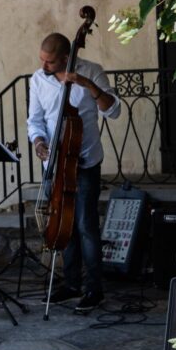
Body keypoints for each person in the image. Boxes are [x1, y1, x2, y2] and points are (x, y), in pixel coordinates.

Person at [26, 32, 120, 313]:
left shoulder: (92, 71)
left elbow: (113, 111)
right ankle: (71, 284)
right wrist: (39, 142)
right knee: (64, 224)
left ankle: (94, 289)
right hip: (55, 162)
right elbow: (35, 120)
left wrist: (86, 84)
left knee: (85, 225)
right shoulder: (38, 79)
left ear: (67, 58)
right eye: (42, 60)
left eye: (51, 62)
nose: (44, 66)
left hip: (86, 161)